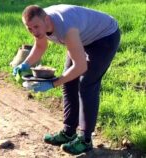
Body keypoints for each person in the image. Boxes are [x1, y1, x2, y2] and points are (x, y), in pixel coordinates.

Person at [13, 4, 120, 155]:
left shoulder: (66, 28)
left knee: (86, 84)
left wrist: (52, 83)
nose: (34, 32)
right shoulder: (40, 24)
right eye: (29, 28)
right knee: (69, 82)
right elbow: (40, 46)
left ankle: (85, 139)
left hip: (104, 37)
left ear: (47, 20)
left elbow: (81, 67)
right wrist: (25, 64)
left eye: (36, 27)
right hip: (82, 38)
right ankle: (69, 132)